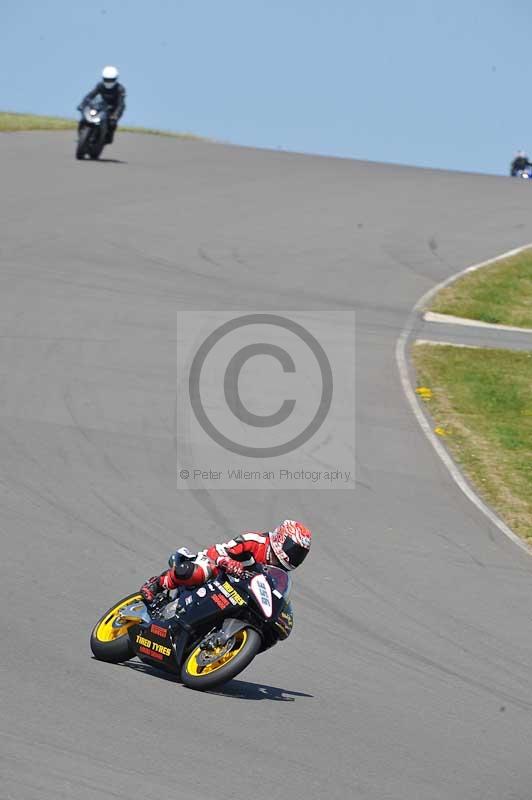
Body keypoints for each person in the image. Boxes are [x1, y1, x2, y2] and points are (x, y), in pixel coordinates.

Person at [140, 520, 312, 604]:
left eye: (300, 554)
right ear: (282, 538)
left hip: (239, 590)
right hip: (217, 569)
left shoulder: (280, 572)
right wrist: (226, 562)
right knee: (200, 572)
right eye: (294, 550)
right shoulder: (255, 541)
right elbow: (219, 551)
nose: (295, 556)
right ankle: (157, 584)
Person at [77, 66, 126, 144]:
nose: (108, 82)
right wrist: (82, 104)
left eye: (111, 80)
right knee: (84, 119)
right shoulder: (100, 85)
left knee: (112, 124)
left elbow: (121, 104)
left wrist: (115, 115)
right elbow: (90, 95)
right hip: (101, 106)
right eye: (106, 79)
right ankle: (81, 135)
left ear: (116, 79)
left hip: (114, 109)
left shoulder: (120, 89)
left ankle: (108, 137)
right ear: (103, 78)